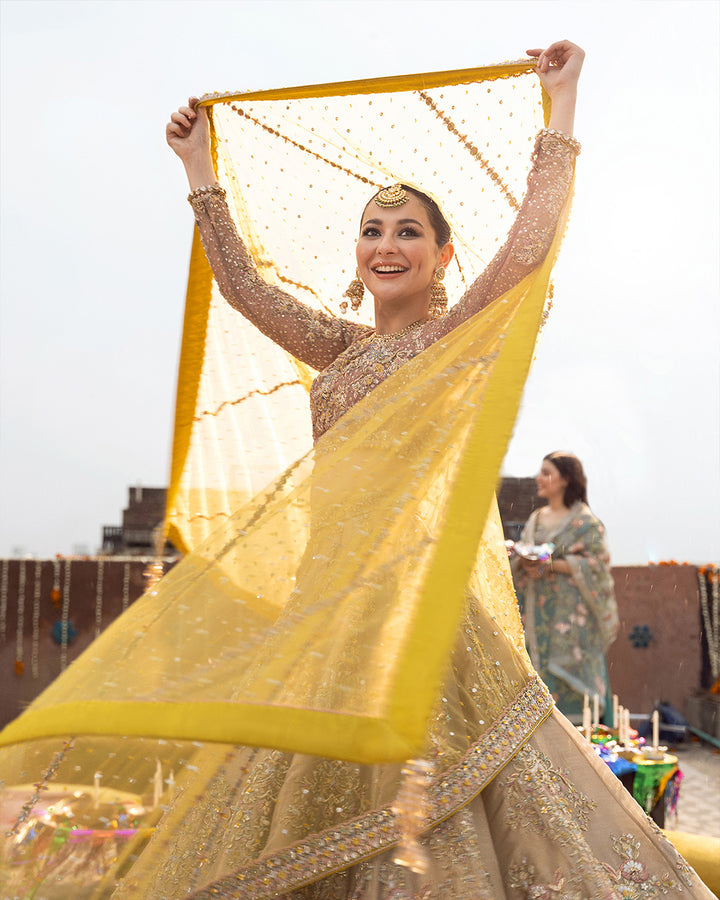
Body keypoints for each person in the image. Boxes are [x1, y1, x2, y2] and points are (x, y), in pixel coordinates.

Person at [511, 451, 619, 724]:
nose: (539, 478)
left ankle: (580, 736)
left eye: (547, 473)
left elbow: (597, 565)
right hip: (537, 614)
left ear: (565, 479)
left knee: (571, 685)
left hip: (571, 621)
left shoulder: (585, 522)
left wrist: (551, 565)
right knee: (538, 674)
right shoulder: (536, 518)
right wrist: (525, 562)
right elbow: (525, 554)